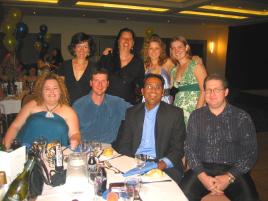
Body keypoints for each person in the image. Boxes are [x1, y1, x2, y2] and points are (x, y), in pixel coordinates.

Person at [181, 74, 260, 201]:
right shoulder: (196, 116)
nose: (212, 94)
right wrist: (203, 177)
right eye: (208, 90)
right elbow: (189, 149)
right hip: (202, 168)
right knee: (180, 196)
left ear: (226, 92)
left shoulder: (241, 117)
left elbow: (250, 153)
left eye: (217, 90)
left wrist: (229, 177)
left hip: (233, 169)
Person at [112, 73, 186, 184]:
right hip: (135, 161)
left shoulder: (175, 114)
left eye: (158, 87)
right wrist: (131, 162)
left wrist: (162, 164)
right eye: (149, 86)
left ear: (162, 92)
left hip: (162, 164)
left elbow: (178, 148)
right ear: (142, 91)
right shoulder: (131, 113)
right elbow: (124, 144)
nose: (153, 90)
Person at [3, 72, 80, 149]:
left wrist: (75, 140)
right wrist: (6, 146)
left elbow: (75, 134)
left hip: (55, 156)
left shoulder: (69, 112)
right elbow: (15, 126)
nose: (52, 91)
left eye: (55, 88)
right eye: (47, 89)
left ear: (61, 91)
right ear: (41, 91)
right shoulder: (32, 105)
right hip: (25, 153)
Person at [73, 68, 131, 143]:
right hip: (86, 150)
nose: (100, 85)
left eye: (103, 81)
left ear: (108, 84)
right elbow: (72, 132)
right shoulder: (78, 105)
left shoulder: (117, 103)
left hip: (111, 151)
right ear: (91, 83)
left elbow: (137, 112)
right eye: (96, 81)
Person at [98, 28, 144, 104]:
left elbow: (141, 84)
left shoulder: (138, 62)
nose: (126, 40)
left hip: (127, 106)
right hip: (106, 104)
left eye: (129, 39)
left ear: (133, 43)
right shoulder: (108, 57)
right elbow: (97, 77)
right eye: (123, 38)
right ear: (118, 41)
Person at [170, 36, 207, 124]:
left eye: (179, 47)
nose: (176, 50)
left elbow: (205, 90)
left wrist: (196, 114)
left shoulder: (196, 65)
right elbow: (168, 89)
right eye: (173, 48)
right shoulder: (174, 70)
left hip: (195, 108)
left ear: (186, 48)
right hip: (178, 109)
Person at [58, 32, 96, 105]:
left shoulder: (94, 67)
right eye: (79, 46)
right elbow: (60, 87)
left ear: (89, 50)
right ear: (74, 48)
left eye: (85, 47)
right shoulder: (65, 65)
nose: (82, 50)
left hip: (87, 107)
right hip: (66, 106)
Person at [143, 35, 173, 104]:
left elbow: (183, 62)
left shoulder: (168, 62)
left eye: (157, 48)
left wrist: (194, 58)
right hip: (148, 101)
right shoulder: (145, 66)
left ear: (161, 50)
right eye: (151, 48)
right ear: (147, 50)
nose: (154, 51)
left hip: (164, 101)